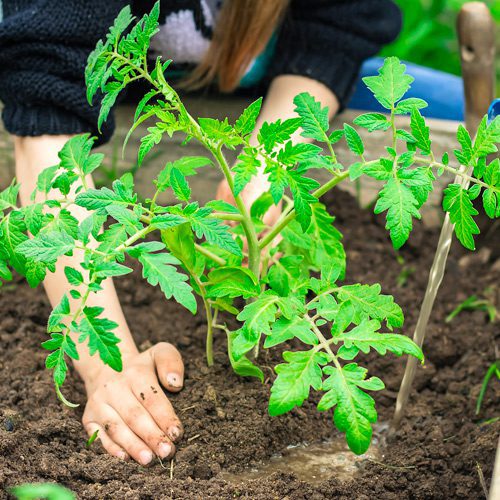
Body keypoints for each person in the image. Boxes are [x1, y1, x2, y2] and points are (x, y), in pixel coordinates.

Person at [0, 0, 402, 465]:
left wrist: (262, 177)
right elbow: (46, 105)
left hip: (266, 85)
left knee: (447, 103)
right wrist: (107, 364)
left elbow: (333, 26)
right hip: (107, 93)